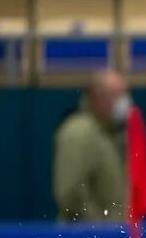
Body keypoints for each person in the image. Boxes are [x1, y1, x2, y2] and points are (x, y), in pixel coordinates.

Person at [52, 70, 132, 223]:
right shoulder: (78, 132)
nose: (125, 101)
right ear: (97, 97)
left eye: (125, 94)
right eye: (117, 94)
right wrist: (99, 228)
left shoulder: (109, 134)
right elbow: (70, 194)